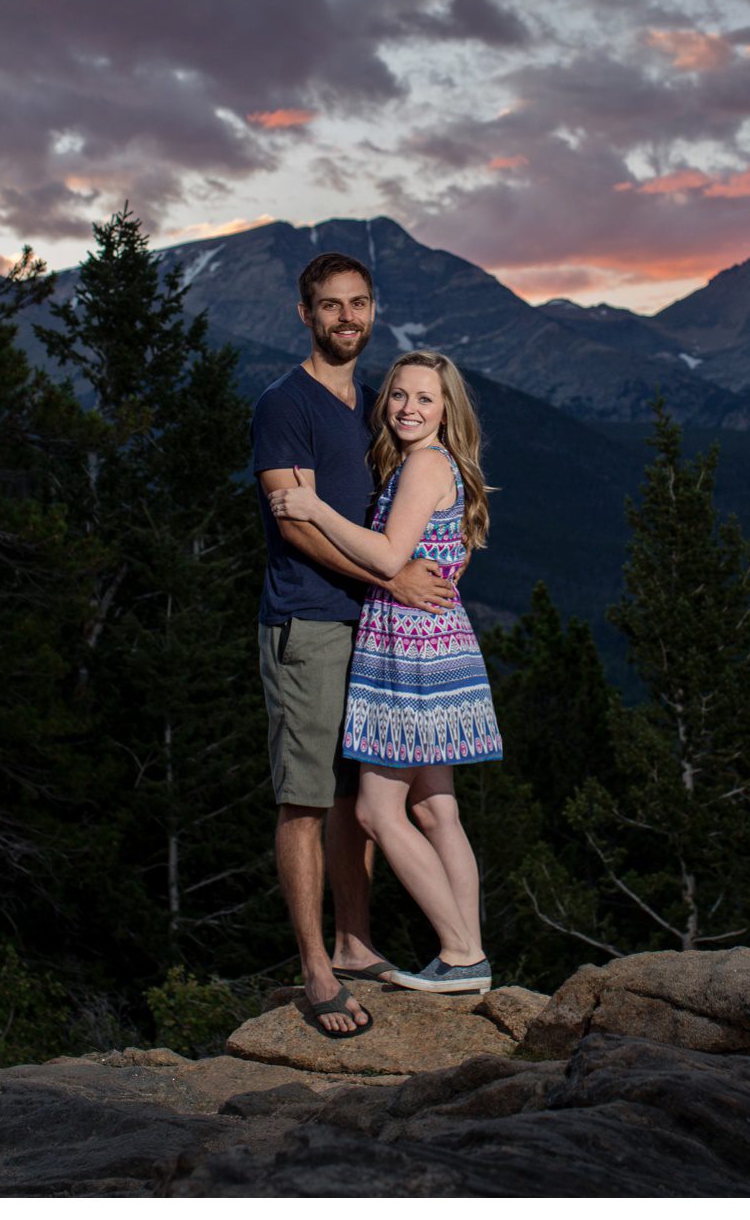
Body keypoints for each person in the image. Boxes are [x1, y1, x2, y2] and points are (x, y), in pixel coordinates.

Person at [252, 255, 460, 1038]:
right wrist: (392, 576)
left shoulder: (377, 405)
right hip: (307, 622)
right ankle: (315, 969)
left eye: (359, 303)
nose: (347, 316)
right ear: (304, 313)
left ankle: (354, 943)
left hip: (374, 629)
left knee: (355, 796)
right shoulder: (283, 404)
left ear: (373, 311)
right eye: (331, 304)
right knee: (305, 797)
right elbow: (295, 525)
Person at [268, 348, 502, 994]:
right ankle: (471, 955)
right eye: (398, 394)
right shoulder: (438, 463)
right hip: (439, 641)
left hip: (409, 649)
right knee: (436, 808)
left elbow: (389, 557)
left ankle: (460, 952)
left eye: (424, 398)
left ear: (446, 409)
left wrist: (315, 507)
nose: (407, 407)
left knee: (376, 810)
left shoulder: (424, 464)